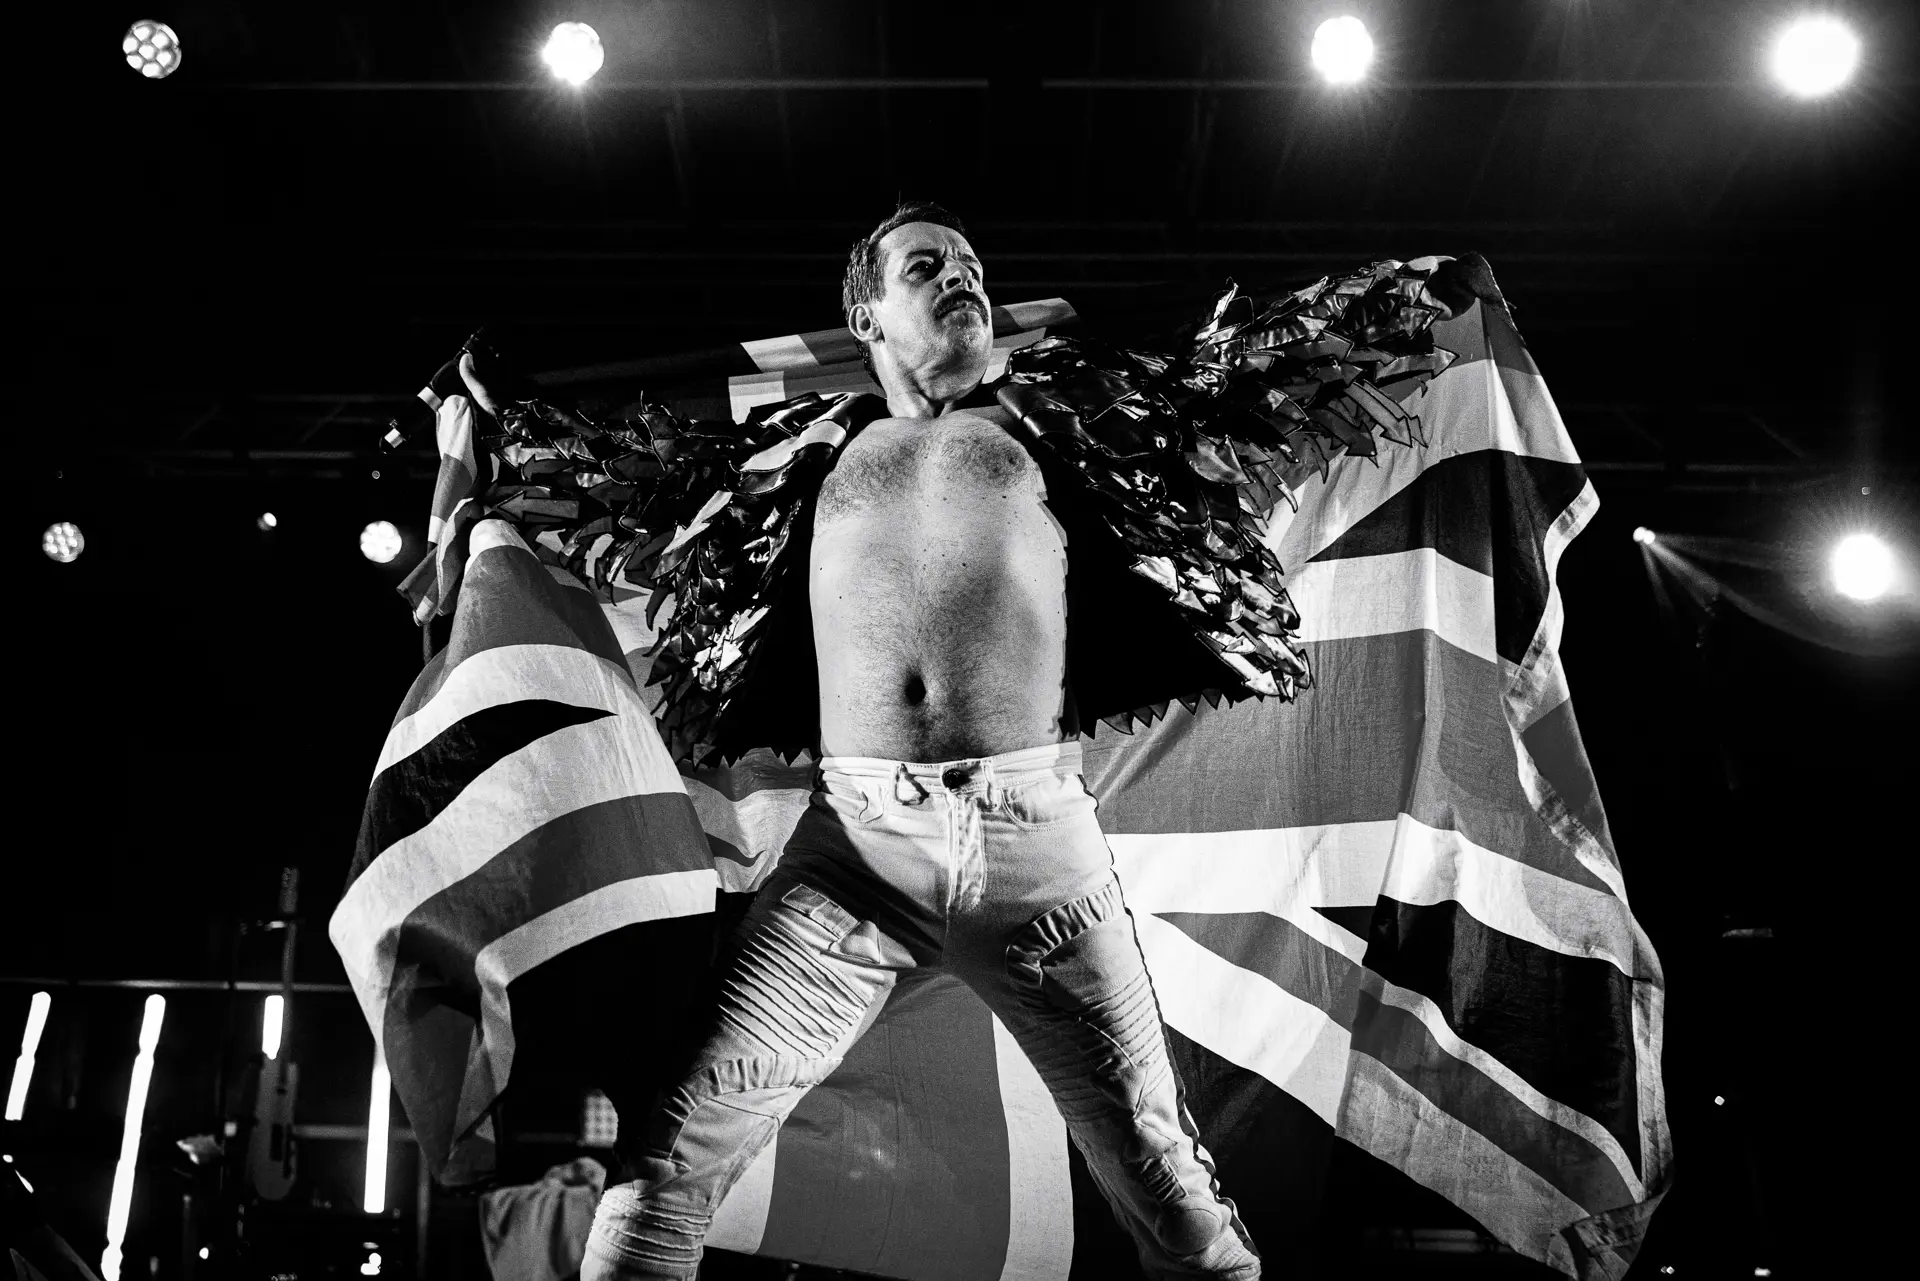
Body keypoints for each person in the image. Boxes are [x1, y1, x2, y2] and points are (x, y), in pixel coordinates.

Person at [581, 203, 1266, 1280]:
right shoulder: (806, 463)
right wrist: (511, 430)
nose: (966, 280)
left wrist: (1414, 303)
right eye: (930, 265)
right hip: (852, 854)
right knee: (663, 1172)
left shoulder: (1058, 433)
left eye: (979, 268)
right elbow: (623, 481)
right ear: (867, 312)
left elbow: (1252, 379)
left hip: (1040, 850)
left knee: (1172, 1196)